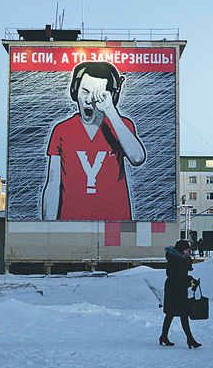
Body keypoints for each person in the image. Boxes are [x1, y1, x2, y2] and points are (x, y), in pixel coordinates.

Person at [41, 61, 146, 221]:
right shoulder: (62, 130)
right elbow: (53, 184)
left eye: (98, 94)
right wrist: (48, 227)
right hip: (71, 222)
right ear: (74, 91)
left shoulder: (121, 125)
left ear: (112, 96)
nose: (89, 99)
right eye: (85, 91)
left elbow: (137, 158)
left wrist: (110, 111)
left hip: (115, 224)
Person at [159, 240, 201, 349]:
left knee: (173, 314)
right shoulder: (175, 260)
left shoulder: (180, 259)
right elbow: (175, 277)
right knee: (180, 314)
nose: (188, 251)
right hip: (175, 290)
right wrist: (189, 282)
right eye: (186, 249)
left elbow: (181, 276)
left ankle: (164, 336)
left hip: (177, 290)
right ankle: (190, 339)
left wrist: (191, 280)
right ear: (181, 250)